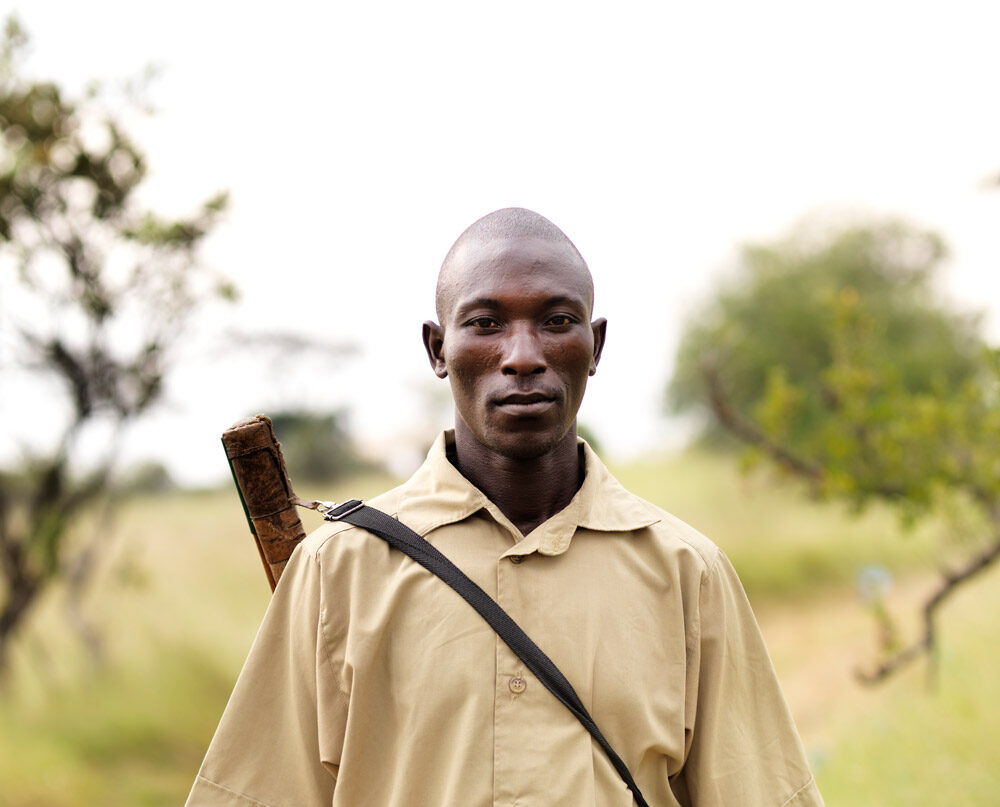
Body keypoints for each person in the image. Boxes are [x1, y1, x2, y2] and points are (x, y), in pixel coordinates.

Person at [186, 208, 824, 807]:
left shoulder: (689, 574)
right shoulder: (336, 571)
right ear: (438, 349)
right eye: (485, 324)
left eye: (556, 321)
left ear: (595, 346)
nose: (522, 356)